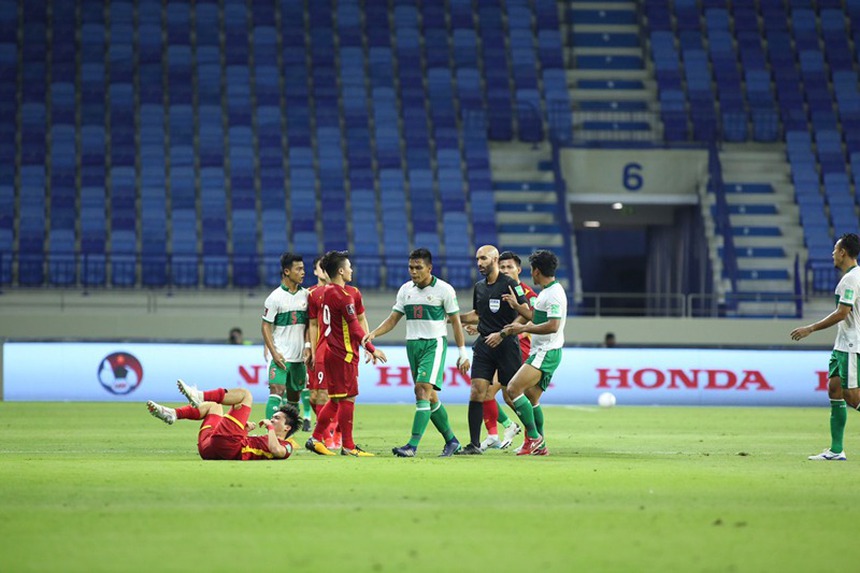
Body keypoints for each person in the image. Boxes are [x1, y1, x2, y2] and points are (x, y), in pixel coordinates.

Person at [363, 248, 470, 457]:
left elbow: (456, 322)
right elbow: (394, 318)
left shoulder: (444, 290)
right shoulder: (405, 290)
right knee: (429, 397)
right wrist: (374, 333)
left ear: (429, 268)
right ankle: (452, 441)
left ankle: (412, 445)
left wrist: (462, 352)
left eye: (418, 267)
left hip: (434, 344)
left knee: (422, 390)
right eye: (411, 267)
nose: (413, 271)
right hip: (412, 345)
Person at [305, 251, 387, 457]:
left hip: (333, 351)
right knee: (348, 399)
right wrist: (372, 349)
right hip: (344, 354)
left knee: (335, 400)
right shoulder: (342, 296)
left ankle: (315, 439)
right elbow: (354, 326)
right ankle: (348, 446)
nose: (352, 270)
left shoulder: (325, 292)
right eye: (349, 266)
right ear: (341, 271)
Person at [791, 233, 860, 461]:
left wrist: (810, 328)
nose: (832, 254)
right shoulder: (853, 277)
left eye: (835, 249)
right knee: (835, 390)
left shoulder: (851, 279)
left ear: (843, 252)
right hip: (842, 344)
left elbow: (843, 313)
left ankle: (837, 450)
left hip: (851, 343)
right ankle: (836, 450)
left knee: (853, 397)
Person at [457, 245, 528, 455]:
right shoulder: (479, 287)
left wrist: (504, 333)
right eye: (477, 259)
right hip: (484, 346)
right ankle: (473, 444)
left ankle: (534, 435)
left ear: (494, 259)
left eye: (484, 258)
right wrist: (454, 318)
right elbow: (478, 314)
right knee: (477, 391)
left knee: (512, 395)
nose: (479, 263)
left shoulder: (510, 284)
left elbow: (526, 313)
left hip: (507, 346)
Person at [501, 250, 568, 456]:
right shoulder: (547, 292)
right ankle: (541, 444)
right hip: (541, 350)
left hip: (546, 351)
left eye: (532, 269)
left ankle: (533, 438)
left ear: (537, 271)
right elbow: (537, 318)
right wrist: (517, 307)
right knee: (532, 398)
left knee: (512, 389)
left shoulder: (554, 294)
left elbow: (553, 326)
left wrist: (522, 328)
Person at [147, 379, 299, 461]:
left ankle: (199, 395)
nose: (272, 420)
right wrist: (244, 431)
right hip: (209, 449)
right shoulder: (266, 438)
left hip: (229, 447)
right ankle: (173, 413)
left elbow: (276, 450)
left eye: (277, 418)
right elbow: (252, 447)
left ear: (287, 428)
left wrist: (270, 428)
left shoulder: (286, 446)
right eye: (273, 417)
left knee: (246, 395)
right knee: (214, 406)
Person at [261, 252, 311, 421]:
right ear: (287, 272)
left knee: (294, 398)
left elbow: (310, 326)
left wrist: (308, 346)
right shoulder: (274, 298)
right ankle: (270, 435)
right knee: (276, 390)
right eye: (299, 269)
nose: (303, 272)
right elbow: (265, 326)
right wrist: (273, 352)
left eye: (303, 269)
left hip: (299, 358)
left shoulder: (306, 296)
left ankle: (287, 437)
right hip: (281, 355)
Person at [306, 255, 331, 434]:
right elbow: (308, 323)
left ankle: (327, 430)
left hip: (334, 349)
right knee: (313, 396)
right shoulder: (309, 293)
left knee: (328, 394)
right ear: (315, 271)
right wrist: (308, 346)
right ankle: (324, 423)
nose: (323, 270)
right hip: (315, 348)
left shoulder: (342, 291)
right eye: (320, 267)